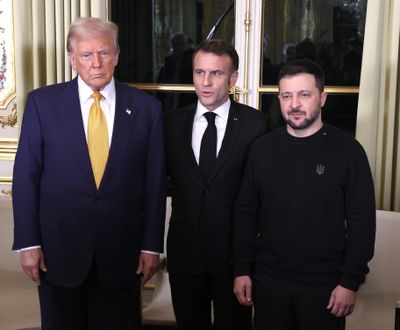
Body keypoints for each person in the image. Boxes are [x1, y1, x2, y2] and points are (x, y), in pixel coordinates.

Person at [12, 17, 166, 330]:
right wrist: (28, 244)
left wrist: (151, 246)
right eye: (86, 55)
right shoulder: (42, 104)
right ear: (72, 59)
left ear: (117, 55)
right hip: (58, 253)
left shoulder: (146, 109)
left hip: (122, 255)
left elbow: (154, 183)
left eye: (104, 53)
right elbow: (26, 177)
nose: (96, 63)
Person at [233, 59, 375, 330]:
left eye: (304, 95)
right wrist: (241, 269)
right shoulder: (262, 149)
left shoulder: (349, 151)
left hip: (326, 286)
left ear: (322, 98)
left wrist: (349, 281)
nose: (294, 104)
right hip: (268, 281)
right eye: (287, 96)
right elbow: (245, 213)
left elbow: (363, 223)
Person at [165, 39, 267, 330]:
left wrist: (245, 265)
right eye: (199, 73)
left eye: (216, 74)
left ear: (233, 78)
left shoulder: (256, 125)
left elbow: (261, 198)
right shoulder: (170, 123)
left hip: (234, 262)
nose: (206, 82)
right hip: (185, 259)